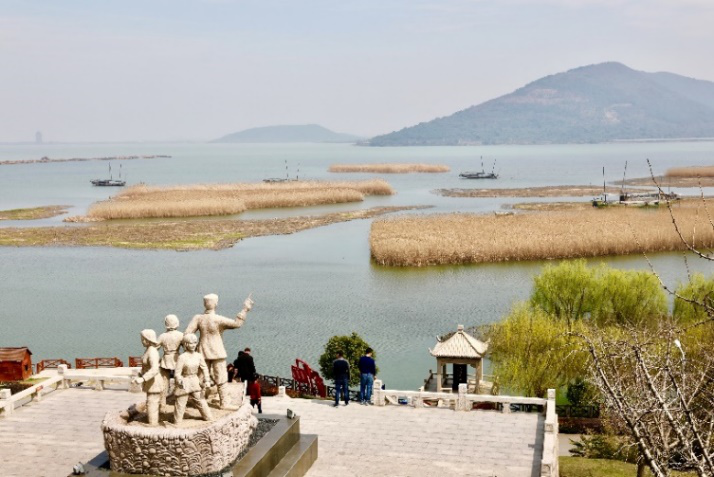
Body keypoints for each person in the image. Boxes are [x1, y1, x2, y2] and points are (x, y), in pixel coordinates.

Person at [185, 293, 253, 410]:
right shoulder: (218, 319)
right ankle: (224, 403)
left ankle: (198, 401)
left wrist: (191, 347)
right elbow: (237, 323)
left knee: (200, 377)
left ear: (204, 304)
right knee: (221, 378)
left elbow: (187, 334)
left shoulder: (198, 318)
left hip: (202, 351)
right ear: (216, 304)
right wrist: (245, 309)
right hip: (217, 352)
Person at [173, 333, 213, 424]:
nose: (193, 345)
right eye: (191, 343)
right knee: (180, 404)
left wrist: (207, 380)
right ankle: (177, 422)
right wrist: (179, 380)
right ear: (186, 344)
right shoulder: (182, 357)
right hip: (184, 382)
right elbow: (177, 373)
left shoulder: (198, 356)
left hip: (195, 381)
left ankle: (208, 417)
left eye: (195, 342)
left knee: (201, 401)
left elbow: (205, 368)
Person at [132, 329, 164, 425]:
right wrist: (140, 375)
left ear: (148, 339)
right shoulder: (148, 350)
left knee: (152, 403)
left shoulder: (152, 352)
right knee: (151, 402)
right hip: (150, 382)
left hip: (154, 382)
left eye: (143, 339)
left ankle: (153, 424)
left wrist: (143, 378)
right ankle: (152, 422)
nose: (142, 341)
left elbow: (155, 369)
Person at [158, 314, 183, 409]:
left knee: (164, 383)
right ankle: (179, 401)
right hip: (177, 359)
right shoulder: (181, 335)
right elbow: (186, 348)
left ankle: (162, 404)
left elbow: (155, 347)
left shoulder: (162, 336)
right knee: (179, 381)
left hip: (166, 359)